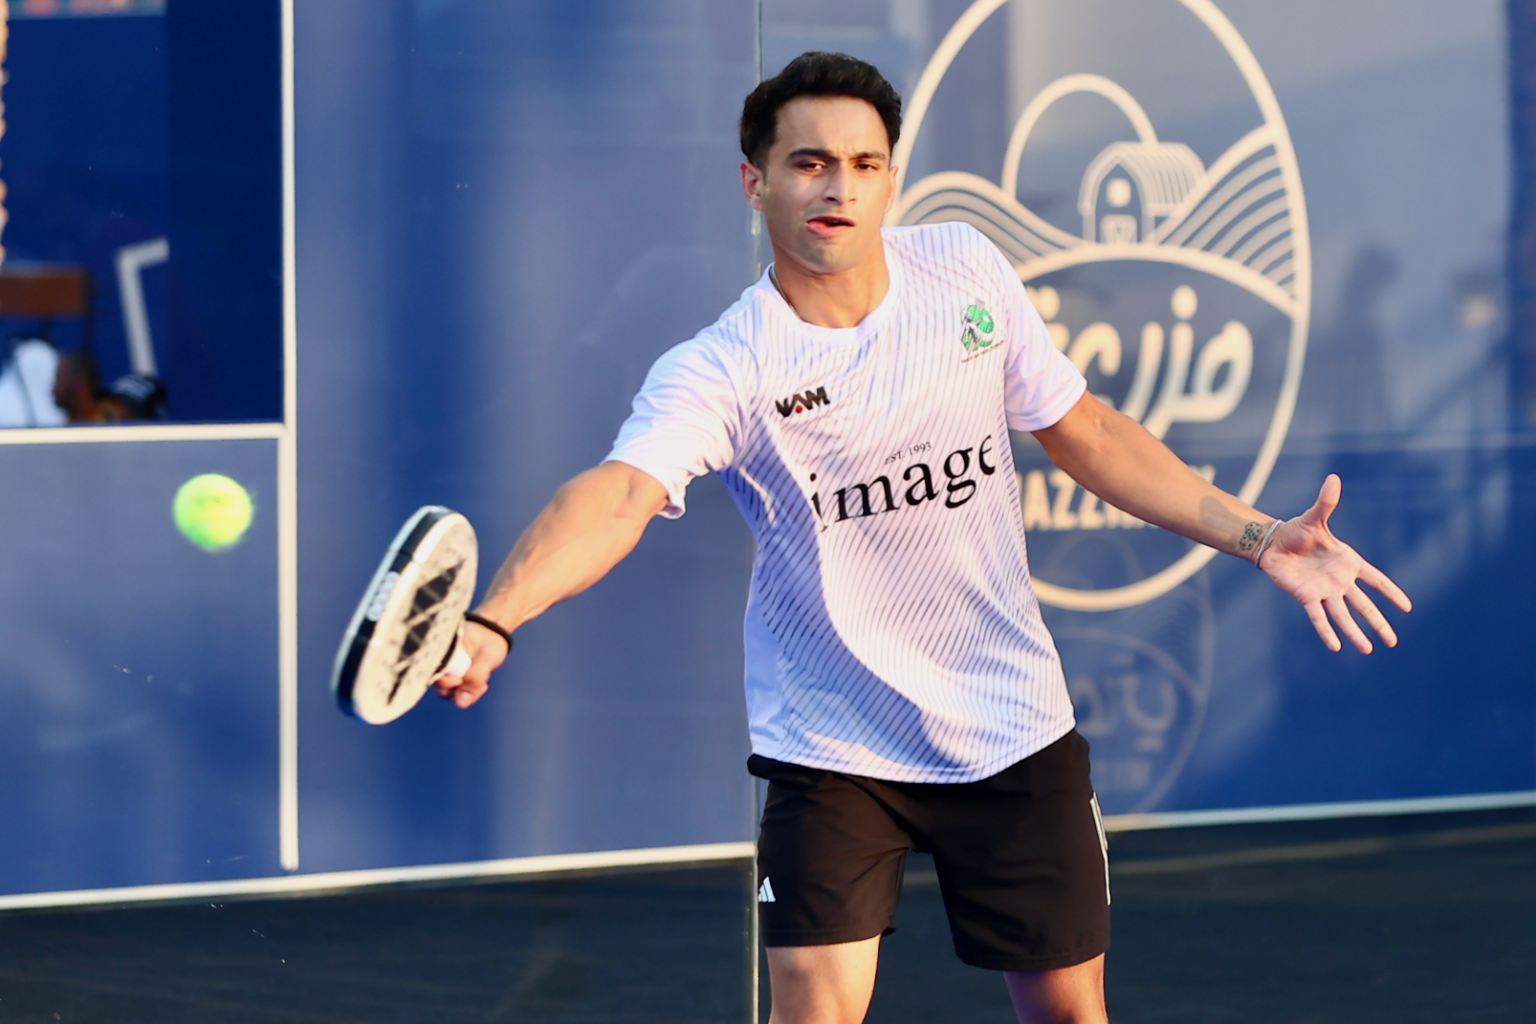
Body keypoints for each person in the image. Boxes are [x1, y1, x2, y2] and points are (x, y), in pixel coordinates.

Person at [435, 52, 1411, 1024]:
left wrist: (1260, 536)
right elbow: (618, 497)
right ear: (754, 182)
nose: (839, 188)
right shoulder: (724, 367)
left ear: (891, 179)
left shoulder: (964, 271)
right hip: (833, 743)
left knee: (1071, 1015)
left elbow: (1089, 433)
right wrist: (495, 618)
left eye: (864, 165)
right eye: (810, 163)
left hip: (1012, 722)